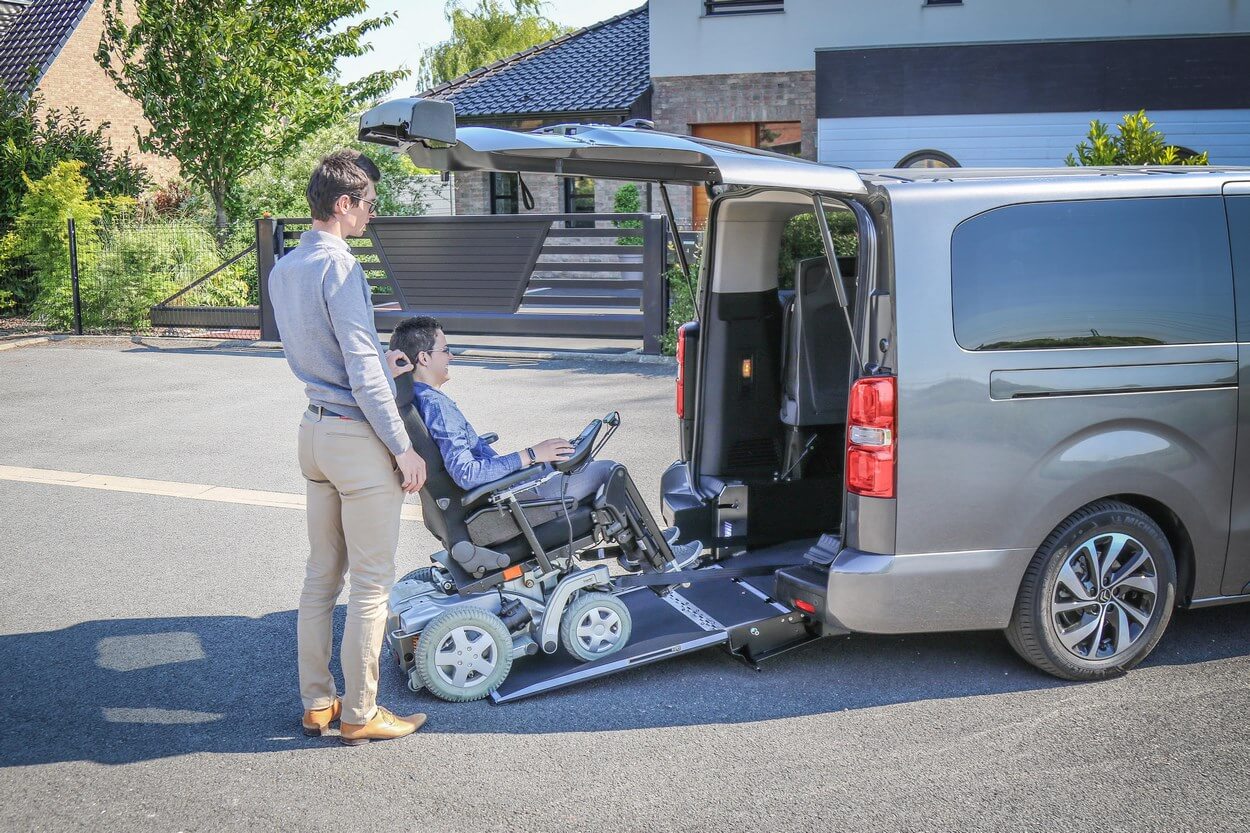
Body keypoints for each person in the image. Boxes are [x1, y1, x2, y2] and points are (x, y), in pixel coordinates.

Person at [268, 150, 428, 746]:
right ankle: (361, 713)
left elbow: (315, 352)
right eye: (368, 205)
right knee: (371, 583)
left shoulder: (285, 269)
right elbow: (361, 369)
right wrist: (402, 445)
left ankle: (317, 703)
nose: (371, 215)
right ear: (343, 204)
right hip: (355, 436)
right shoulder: (340, 266)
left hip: (312, 430)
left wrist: (370, 370)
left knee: (320, 577)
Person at [388, 316, 702, 570]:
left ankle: (642, 545)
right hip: (501, 509)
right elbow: (466, 474)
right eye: (445, 350)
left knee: (572, 464)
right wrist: (532, 455)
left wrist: (538, 458)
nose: (451, 356)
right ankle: (656, 556)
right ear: (425, 357)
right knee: (608, 471)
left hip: (488, 502)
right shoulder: (438, 407)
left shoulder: (415, 400)